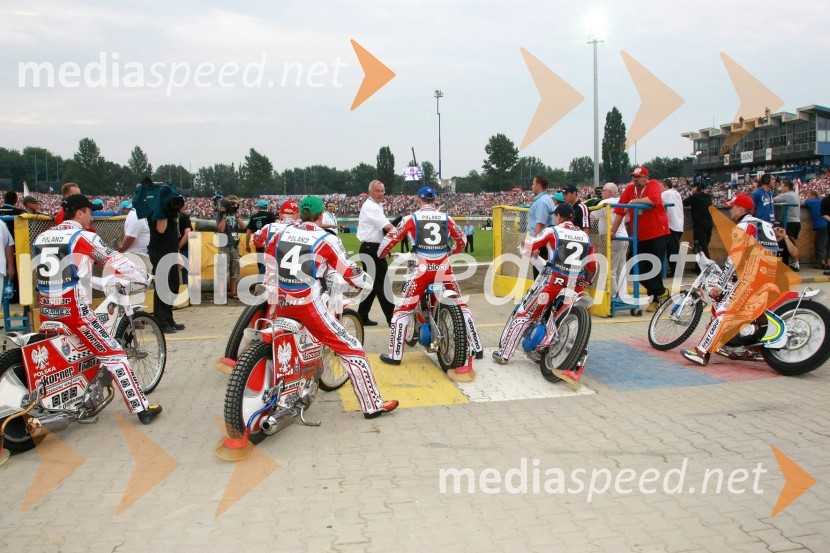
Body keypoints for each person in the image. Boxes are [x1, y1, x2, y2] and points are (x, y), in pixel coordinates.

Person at [32, 194, 161, 424]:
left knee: (71, 355)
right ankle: (142, 408)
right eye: (89, 212)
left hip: (46, 308)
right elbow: (114, 260)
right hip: (74, 312)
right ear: (79, 213)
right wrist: (144, 277)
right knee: (115, 354)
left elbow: (65, 273)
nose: (91, 216)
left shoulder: (42, 237)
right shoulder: (81, 236)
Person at [265, 196, 398, 419]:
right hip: (306, 305)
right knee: (352, 348)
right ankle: (373, 404)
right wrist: (366, 280)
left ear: (300, 214)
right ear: (321, 215)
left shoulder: (277, 231)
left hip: (278, 300)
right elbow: (347, 270)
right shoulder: (325, 239)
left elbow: (260, 238)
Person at [681, 194, 794, 366]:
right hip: (772, 274)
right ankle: (743, 346)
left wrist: (720, 284)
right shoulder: (763, 224)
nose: (730, 210)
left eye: (732, 207)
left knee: (723, 312)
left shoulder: (744, 225)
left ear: (741, 209)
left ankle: (701, 352)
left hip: (754, 277)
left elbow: (735, 258)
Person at [377, 186, 484, 365]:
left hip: (421, 270)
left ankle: (395, 355)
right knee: (462, 306)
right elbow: (462, 240)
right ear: (434, 200)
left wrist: (381, 253)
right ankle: (477, 347)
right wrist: (452, 252)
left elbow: (391, 238)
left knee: (401, 312)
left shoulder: (411, 218)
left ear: (418, 200)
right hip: (444, 268)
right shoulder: (446, 218)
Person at [492, 203, 596, 369]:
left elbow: (529, 247)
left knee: (526, 314)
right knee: (567, 318)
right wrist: (585, 282)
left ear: (559, 217)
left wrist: (523, 247)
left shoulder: (553, 231)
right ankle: (577, 355)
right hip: (575, 286)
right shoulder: (585, 237)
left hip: (554, 282)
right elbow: (592, 267)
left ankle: (504, 354)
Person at [610, 166, 670, 313]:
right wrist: (612, 231)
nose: (635, 180)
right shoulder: (630, 189)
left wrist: (634, 201)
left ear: (645, 177)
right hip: (640, 236)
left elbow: (653, 200)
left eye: (638, 177)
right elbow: (619, 211)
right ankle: (662, 292)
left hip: (657, 234)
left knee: (653, 268)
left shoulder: (653, 184)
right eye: (633, 177)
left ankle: (656, 298)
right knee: (634, 266)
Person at [356, 180, 395, 326]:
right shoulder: (371, 207)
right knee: (383, 284)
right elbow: (388, 227)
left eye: (382, 191)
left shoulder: (376, 206)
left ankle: (361, 316)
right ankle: (392, 318)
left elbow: (381, 231)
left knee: (371, 286)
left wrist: (386, 246)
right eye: (378, 191)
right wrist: (406, 233)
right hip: (371, 250)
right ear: (371, 192)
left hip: (372, 248)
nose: (381, 194)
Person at [148, 192, 184, 334]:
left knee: (173, 286)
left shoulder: (171, 212)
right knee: (163, 287)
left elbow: (174, 235)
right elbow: (161, 229)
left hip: (171, 251)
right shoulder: (157, 212)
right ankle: (160, 322)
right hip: (160, 252)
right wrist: (165, 210)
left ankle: (168, 318)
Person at [594, 183, 628, 297]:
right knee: (621, 269)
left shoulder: (604, 203)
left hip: (611, 237)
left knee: (611, 269)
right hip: (624, 236)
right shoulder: (622, 201)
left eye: (603, 190)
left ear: (610, 192)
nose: (602, 193)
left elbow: (592, 217)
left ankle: (612, 297)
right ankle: (622, 294)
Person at [215, 195, 244, 299]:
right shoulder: (220, 214)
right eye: (233, 204)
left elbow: (243, 226)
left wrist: (237, 216)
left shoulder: (235, 214)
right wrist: (224, 216)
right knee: (222, 270)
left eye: (236, 204)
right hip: (224, 245)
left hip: (234, 244)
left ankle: (233, 293)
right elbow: (221, 229)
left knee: (234, 270)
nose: (234, 206)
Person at [527, 175, 555, 278]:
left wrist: (536, 246)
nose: (532, 186)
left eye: (533, 183)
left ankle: (539, 294)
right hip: (544, 241)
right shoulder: (546, 199)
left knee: (539, 276)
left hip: (541, 243)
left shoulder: (542, 202)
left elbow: (540, 224)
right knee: (542, 274)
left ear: (539, 185)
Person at [116, 200, 152, 272]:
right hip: (138, 256)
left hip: (139, 255)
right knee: (145, 280)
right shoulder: (136, 215)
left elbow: (130, 236)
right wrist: (122, 248)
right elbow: (130, 237)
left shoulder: (137, 214)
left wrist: (122, 247)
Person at [773, 180, 800, 271]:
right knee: (791, 241)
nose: (781, 188)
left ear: (787, 186)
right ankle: (795, 263)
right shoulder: (795, 194)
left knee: (789, 242)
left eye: (783, 186)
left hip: (789, 221)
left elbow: (773, 199)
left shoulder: (787, 195)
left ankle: (795, 264)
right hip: (796, 221)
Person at [246, 199, 276, 276]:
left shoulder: (253, 217)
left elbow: (248, 232)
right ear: (266, 207)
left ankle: (261, 279)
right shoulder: (271, 215)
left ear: (259, 207)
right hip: (269, 243)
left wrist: (247, 245)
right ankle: (265, 281)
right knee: (269, 263)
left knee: (260, 262)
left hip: (258, 243)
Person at [683, 183, 714, 259]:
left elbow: (684, 203)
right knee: (704, 246)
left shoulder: (695, 197)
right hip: (709, 223)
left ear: (697, 188)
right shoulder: (708, 196)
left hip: (700, 225)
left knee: (701, 247)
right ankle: (699, 267)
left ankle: (707, 266)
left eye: (693, 187)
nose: (692, 189)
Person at [660, 180, 684, 277]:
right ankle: (676, 270)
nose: (660, 189)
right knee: (674, 249)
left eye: (661, 186)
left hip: (672, 225)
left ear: (666, 186)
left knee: (672, 250)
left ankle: (676, 271)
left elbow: (654, 200)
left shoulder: (667, 193)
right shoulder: (676, 193)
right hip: (678, 225)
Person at [804, 190, 828, 270]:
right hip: (827, 224)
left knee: (820, 245)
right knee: (828, 245)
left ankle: (822, 264)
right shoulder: (822, 201)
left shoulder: (811, 202)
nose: (808, 197)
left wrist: (807, 200)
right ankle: (828, 263)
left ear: (813, 196)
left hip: (821, 227)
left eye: (809, 195)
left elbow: (803, 202)